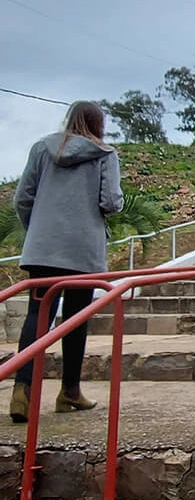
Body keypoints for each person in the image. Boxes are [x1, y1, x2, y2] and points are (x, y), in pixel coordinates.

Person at [10, 101, 124, 423]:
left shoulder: (41, 148)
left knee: (38, 314)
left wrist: (39, 229)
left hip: (43, 250)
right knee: (76, 319)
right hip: (82, 252)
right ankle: (70, 391)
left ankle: (22, 390)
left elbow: (23, 198)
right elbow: (111, 201)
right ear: (98, 124)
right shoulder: (105, 154)